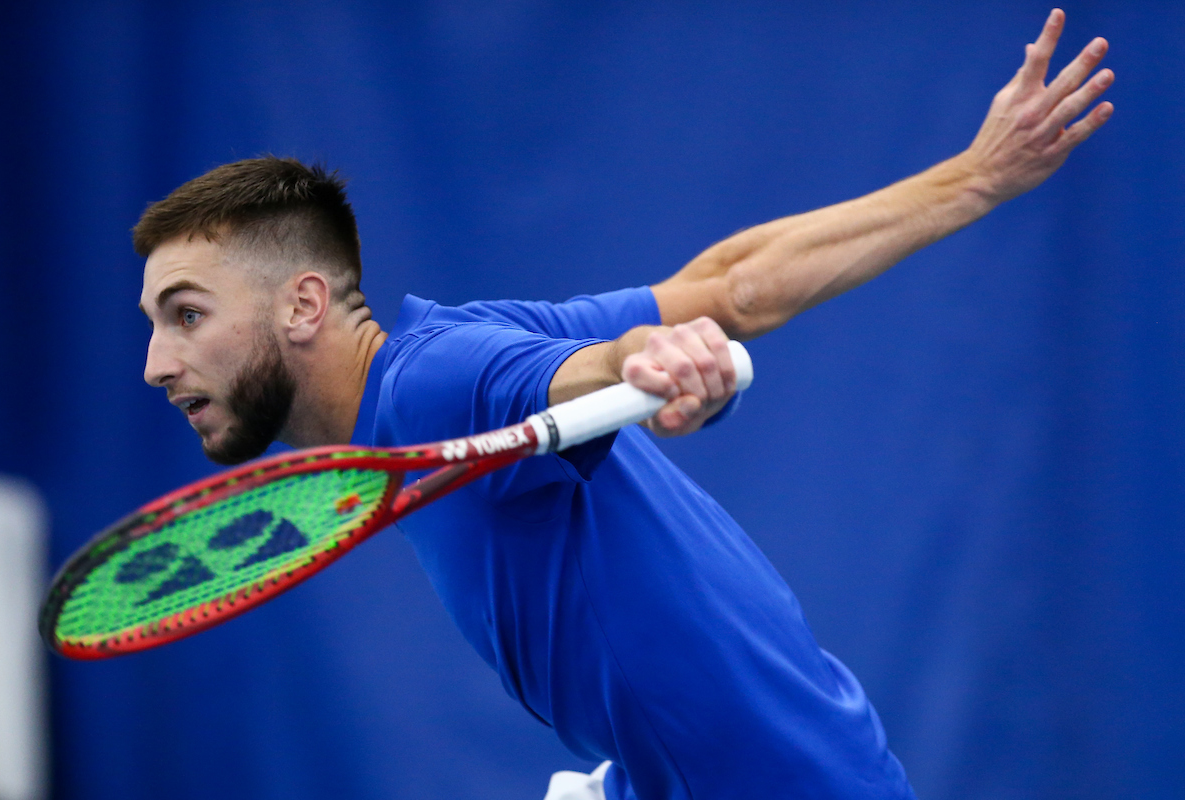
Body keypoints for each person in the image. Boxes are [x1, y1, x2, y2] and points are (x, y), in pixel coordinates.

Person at [134, 10, 1112, 799]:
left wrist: (647, 361)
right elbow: (731, 286)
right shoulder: (457, 344)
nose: (154, 362)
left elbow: (590, 367)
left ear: (304, 303)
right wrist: (972, 178)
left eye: (185, 314)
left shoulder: (439, 379)